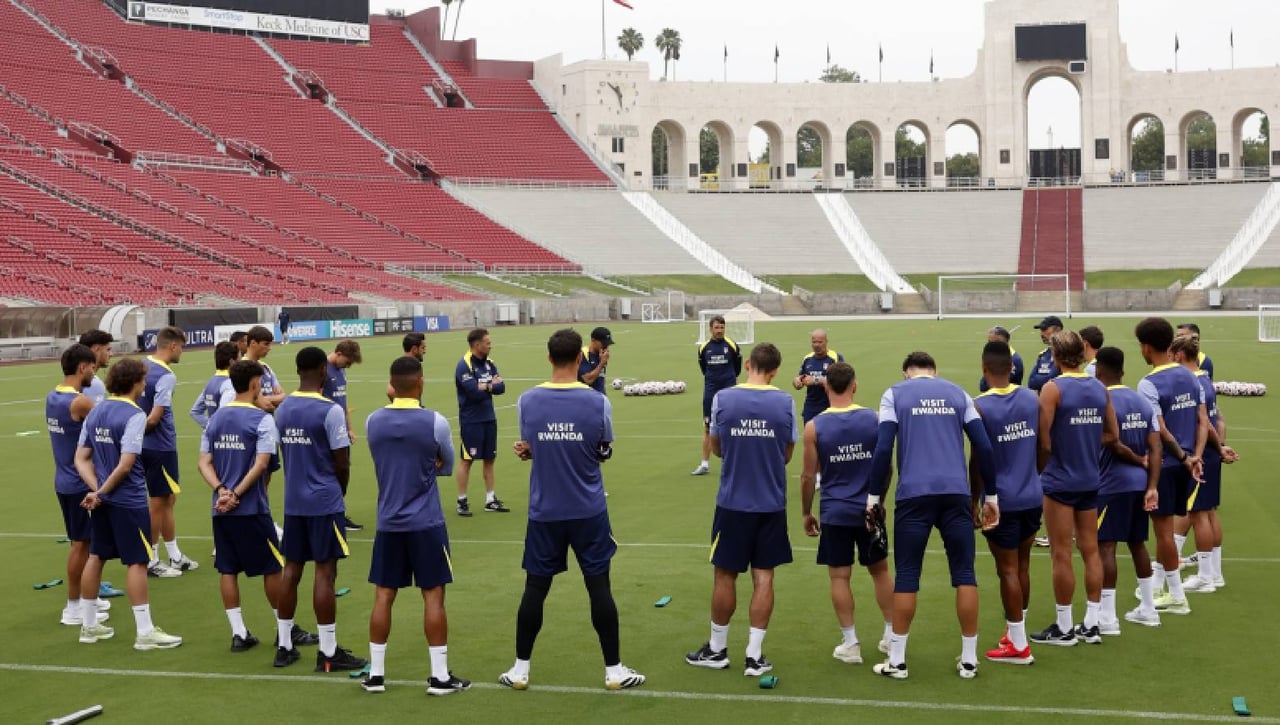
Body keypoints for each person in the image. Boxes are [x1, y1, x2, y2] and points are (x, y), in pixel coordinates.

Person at [500, 329, 644, 691]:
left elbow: (530, 445)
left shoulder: (528, 400)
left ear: (549, 358)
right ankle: (613, 671)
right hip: (587, 509)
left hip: (545, 509)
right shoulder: (597, 402)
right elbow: (603, 450)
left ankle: (520, 670)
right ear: (580, 358)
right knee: (599, 587)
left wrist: (534, 451)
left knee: (535, 588)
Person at [867, 351, 999, 681]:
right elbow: (983, 446)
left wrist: (872, 497)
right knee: (965, 573)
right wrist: (989, 496)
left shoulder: (894, 393)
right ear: (935, 371)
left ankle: (897, 661)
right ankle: (969, 660)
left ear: (906, 372)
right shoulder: (958, 393)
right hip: (955, 493)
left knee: (908, 574)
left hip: (914, 494)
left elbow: (883, 449)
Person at [685, 343, 797, 677]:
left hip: (733, 502)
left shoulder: (724, 398)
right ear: (775, 370)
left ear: (747, 364)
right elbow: (787, 454)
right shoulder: (786, 402)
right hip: (770, 502)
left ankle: (717, 649)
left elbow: (716, 446)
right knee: (764, 575)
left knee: (724, 573)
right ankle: (754, 654)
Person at [363, 356, 469, 695]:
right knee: (434, 594)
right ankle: (439, 677)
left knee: (383, 595)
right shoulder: (435, 421)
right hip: (426, 521)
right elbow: (448, 465)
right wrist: (429, 466)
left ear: (391, 386)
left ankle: (376, 674)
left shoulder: (372, 421)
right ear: (420, 383)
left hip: (388, 522)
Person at [74, 358, 183, 650]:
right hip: (127, 500)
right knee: (137, 561)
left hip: (103, 501)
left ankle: (89, 626)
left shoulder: (95, 412)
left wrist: (96, 490)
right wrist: (103, 492)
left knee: (96, 556)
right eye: (143, 380)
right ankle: (145, 632)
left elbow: (80, 458)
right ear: (136, 383)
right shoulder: (134, 415)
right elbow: (125, 464)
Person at [273, 347, 366, 672]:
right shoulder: (330, 410)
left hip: (294, 501)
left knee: (292, 570)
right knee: (326, 571)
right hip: (323, 501)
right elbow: (342, 462)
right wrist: (338, 493)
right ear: (323, 372)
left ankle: (284, 645)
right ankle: (328, 652)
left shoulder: (283, 409)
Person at [1029, 330, 1121, 647]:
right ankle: (1092, 623)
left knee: (1061, 553)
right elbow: (1112, 434)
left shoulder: (1052, 389)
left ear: (1055, 356)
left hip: (1059, 479)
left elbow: (1043, 439)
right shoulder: (1098, 387)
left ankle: (1065, 627)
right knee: (1090, 550)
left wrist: (1040, 468)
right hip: (1090, 478)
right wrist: (1085, 442)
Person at [799, 361, 893, 665]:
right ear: (854, 385)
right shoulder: (874, 419)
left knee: (839, 576)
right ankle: (892, 636)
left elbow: (807, 475)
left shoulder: (814, 426)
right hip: (868, 509)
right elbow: (886, 466)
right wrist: (880, 501)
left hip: (835, 510)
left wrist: (806, 512)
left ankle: (851, 643)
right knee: (880, 571)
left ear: (826, 387)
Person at [196, 359, 284, 653]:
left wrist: (221, 490)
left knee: (228, 569)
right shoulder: (262, 419)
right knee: (272, 568)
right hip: (251, 508)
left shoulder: (216, 419)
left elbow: (203, 463)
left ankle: (238, 633)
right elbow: (262, 464)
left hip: (219, 508)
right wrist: (235, 493)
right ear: (255, 384)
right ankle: (285, 630)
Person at [1134, 317, 1212, 616]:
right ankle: (1156, 586)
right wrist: (1196, 456)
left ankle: (1176, 595)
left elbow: (1159, 429)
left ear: (1146, 347)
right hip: (1187, 461)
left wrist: (1181, 456)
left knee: (1163, 532)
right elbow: (1202, 420)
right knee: (1167, 529)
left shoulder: (1149, 383)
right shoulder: (1192, 377)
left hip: (1166, 464)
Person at [972, 341, 1041, 664]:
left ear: (984, 369)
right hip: (1031, 495)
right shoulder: (1031, 397)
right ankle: (1017, 632)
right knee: (1022, 564)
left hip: (1002, 501)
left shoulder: (980, 406)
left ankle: (1018, 646)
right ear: (1012, 368)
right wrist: (1033, 475)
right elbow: (1046, 447)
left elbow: (978, 459)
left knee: (1008, 571)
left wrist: (974, 498)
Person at [1092, 347, 1163, 631]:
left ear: (1098, 372)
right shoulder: (1141, 401)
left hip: (1112, 483)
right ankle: (1148, 608)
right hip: (1139, 485)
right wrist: (1153, 485)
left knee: (1106, 545)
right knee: (1137, 544)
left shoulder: (1103, 400)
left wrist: (1135, 459)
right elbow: (1156, 446)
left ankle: (1108, 618)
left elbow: (1111, 442)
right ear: (1122, 370)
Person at [48, 344, 110, 628]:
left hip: (64, 478)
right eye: (92, 369)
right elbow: (106, 423)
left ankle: (87, 597)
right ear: (82, 367)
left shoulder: (53, 396)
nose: (94, 375)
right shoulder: (80, 402)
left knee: (85, 543)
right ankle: (73, 607)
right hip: (78, 483)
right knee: (81, 545)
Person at [1171, 334, 1236, 594]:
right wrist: (1219, 447)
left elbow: (1204, 422)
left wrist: (1217, 446)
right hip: (1211, 453)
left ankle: (1205, 577)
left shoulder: (1190, 383)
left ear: (1177, 355)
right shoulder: (1205, 379)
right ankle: (1215, 574)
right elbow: (1216, 418)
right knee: (1209, 513)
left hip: (1202, 454)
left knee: (1198, 515)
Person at [139, 326, 195, 577]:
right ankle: (151, 560)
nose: (182, 352)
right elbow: (154, 418)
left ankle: (174, 555)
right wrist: (136, 433)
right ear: (172, 346)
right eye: (181, 347)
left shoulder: (141, 365)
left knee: (168, 499)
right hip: (159, 447)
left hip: (150, 447)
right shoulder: (165, 375)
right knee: (158, 503)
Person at [454, 328, 508, 516]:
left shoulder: (489, 364)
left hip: (489, 418)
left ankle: (490, 499)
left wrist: (485, 385)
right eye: (487, 342)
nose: (490, 345)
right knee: (467, 460)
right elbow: (472, 392)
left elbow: (502, 387)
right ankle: (462, 500)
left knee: (489, 459)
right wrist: (490, 385)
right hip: (471, 420)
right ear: (477, 345)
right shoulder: (464, 365)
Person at [691, 316, 742, 476]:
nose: (719, 331)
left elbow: (737, 368)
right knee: (708, 428)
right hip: (711, 393)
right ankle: (704, 464)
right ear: (710, 329)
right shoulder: (704, 348)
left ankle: (734, 463)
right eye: (716, 328)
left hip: (729, 392)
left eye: (722, 328)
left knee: (732, 427)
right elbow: (704, 369)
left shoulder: (732, 345)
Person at [324, 339, 364, 532]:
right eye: (347, 361)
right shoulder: (322, 369)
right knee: (332, 470)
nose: (348, 366)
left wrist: (350, 427)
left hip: (341, 430)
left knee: (343, 470)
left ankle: (337, 512)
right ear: (338, 353)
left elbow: (342, 400)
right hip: (325, 430)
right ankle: (331, 515)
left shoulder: (341, 371)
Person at [793, 329, 843, 424]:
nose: (816, 345)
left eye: (820, 342)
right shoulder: (807, 359)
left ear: (826, 342)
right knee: (810, 436)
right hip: (811, 407)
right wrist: (797, 381)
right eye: (814, 342)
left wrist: (816, 380)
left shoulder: (835, 358)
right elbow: (801, 377)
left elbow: (841, 380)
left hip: (830, 405)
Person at [189, 341, 239, 429]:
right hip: (227, 437)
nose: (241, 362)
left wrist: (209, 426)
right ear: (232, 362)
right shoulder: (230, 384)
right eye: (239, 358)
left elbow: (195, 411)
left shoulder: (210, 382)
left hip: (213, 438)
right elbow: (222, 415)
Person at [245, 326, 285, 414]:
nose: (270, 348)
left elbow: (282, 396)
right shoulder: (242, 368)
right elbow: (264, 406)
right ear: (253, 343)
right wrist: (272, 400)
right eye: (266, 344)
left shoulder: (266, 367)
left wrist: (265, 399)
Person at [977, 326, 1023, 393]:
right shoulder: (993, 356)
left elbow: (988, 385)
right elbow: (983, 385)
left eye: (991, 342)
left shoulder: (1013, 359)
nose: (988, 344)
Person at [385, 332, 426, 402]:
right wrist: (406, 406)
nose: (424, 351)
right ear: (414, 349)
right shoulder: (403, 366)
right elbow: (390, 391)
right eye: (423, 348)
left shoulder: (402, 364)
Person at [78, 330, 114, 405]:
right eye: (108, 350)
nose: (111, 354)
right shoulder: (93, 383)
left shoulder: (74, 378)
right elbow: (98, 416)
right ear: (96, 349)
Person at [1027, 316, 1063, 392]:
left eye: (1044, 330)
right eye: (1041, 330)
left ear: (1057, 330)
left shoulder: (1065, 353)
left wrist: (1040, 378)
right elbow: (1031, 382)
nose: (1041, 334)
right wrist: (1047, 378)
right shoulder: (1043, 355)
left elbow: (1053, 379)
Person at [577, 327, 613, 394]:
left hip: (600, 397)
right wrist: (602, 363)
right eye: (603, 343)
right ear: (593, 340)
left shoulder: (601, 354)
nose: (606, 346)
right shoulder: (583, 354)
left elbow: (601, 378)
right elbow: (588, 380)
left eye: (608, 344)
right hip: (586, 398)